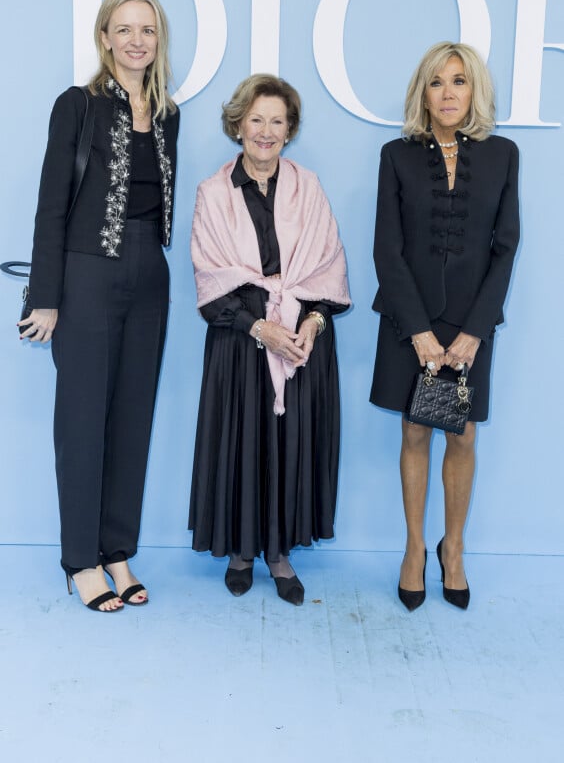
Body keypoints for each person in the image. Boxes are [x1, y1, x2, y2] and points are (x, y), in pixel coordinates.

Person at [21, 0, 180, 611]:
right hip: (86, 273)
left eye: (147, 29)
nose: (136, 40)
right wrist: (46, 296)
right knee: (82, 419)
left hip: (151, 273)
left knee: (132, 417)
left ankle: (118, 550)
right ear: (104, 37)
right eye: (124, 28)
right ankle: (80, 559)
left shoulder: (169, 111)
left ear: (157, 38)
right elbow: (50, 205)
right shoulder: (77, 105)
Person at [190, 74, 351, 605]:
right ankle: (239, 552)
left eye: (277, 121)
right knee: (241, 444)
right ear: (237, 125)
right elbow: (210, 282)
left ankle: (279, 555)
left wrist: (309, 326)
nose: (266, 131)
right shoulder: (213, 193)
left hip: (303, 348)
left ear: (290, 130)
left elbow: (327, 271)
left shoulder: (310, 188)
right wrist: (261, 329)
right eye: (256, 119)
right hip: (240, 343)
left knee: (290, 448)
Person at [370, 42, 519, 611]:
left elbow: (505, 248)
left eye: (459, 81)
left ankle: (451, 548)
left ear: (473, 89)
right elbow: (388, 248)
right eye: (437, 82)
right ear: (423, 93)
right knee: (413, 430)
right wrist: (419, 332)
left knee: (462, 433)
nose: (448, 92)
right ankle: (413, 550)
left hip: (470, 325)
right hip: (412, 321)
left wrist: (475, 331)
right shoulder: (396, 155)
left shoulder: (503, 155)